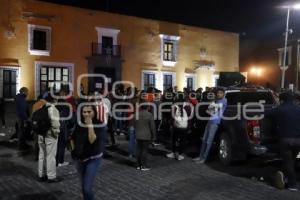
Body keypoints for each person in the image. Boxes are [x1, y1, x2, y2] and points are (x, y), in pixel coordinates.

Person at [71, 104, 107, 200]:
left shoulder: (99, 124)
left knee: (87, 188)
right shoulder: (79, 124)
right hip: (79, 158)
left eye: (89, 112)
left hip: (93, 158)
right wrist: (73, 150)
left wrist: (90, 125)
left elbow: (92, 140)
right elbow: (72, 138)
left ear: (94, 112)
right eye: (84, 112)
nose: (86, 114)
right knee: (83, 187)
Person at [266, 91, 300, 191]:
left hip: (286, 140)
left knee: (288, 162)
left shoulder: (280, 109)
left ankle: (292, 184)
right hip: (298, 140)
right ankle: (285, 177)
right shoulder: (298, 109)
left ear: (282, 100)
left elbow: (266, 114)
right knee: (292, 160)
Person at [193, 87, 227, 163]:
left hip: (215, 122)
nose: (218, 94)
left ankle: (204, 158)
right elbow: (210, 111)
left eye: (220, 93)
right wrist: (212, 105)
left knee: (209, 141)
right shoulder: (216, 100)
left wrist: (212, 105)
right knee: (204, 140)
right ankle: (200, 156)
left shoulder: (224, 101)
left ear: (224, 94)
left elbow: (214, 108)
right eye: (218, 93)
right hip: (210, 121)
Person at [37, 95, 61, 183]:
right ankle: (51, 176)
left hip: (40, 134)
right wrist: (56, 133)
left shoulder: (41, 107)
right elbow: (55, 124)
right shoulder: (53, 109)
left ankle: (41, 175)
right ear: (54, 100)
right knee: (50, 156)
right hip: (50, 135)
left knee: (42, 155)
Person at [166, 92, 190, 160]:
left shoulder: (174, 105)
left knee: (174, 139)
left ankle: (173, 153)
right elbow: (190, 117)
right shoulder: (188, 105)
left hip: (176, 126)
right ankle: (180, 154)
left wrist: (171, 125)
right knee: (183, 140)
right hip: (184, 126)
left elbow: (171, 117)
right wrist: (189, 126)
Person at [134, 103, 156, 170]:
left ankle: (138, 164)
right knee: (144, 150)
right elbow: (152, 127)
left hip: (138, 134)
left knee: (138, 149)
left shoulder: (136, 114)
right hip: (146, 135)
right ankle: (143, 165)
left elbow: (134, 124)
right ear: (147, 107)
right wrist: (154, 136)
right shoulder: (149, 115)